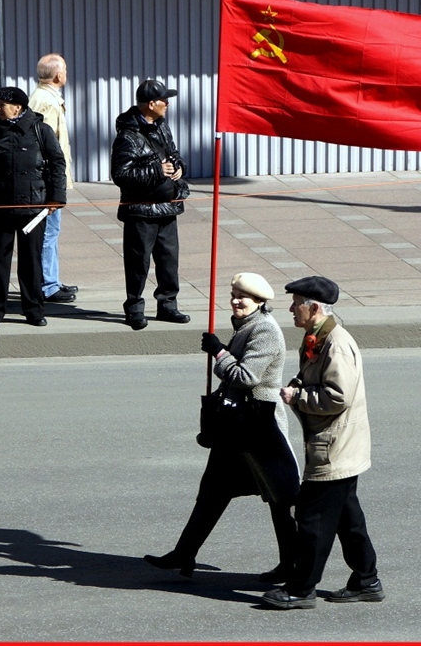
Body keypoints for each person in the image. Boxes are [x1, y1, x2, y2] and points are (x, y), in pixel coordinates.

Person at [143, 273, 300, 579]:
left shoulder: (264, 331)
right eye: (233, 295)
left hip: (259, 426)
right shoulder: (246, 325)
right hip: (237, 426)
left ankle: (292, 565)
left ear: (260, 302)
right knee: (213, 491)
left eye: (243, 297)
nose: (236, 301)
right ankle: (184, 553)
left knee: (281, 496)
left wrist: (219, 352)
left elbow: (245, 377)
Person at [261, 275, 384, 610]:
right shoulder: (320, 335)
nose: (291, 309)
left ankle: (301, 589)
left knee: (312, 517)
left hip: (334, 448)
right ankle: (366, 579)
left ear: (313, 307)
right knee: (346, 516)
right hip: (340, 445)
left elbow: (337, 396)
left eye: (296, 303)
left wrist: (298, 396)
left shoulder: (336, 343)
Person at [0, 87, 67, 330]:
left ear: (18, 107)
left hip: (33, 210)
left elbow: (57, 164)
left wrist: (55, 199)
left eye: (2, 104)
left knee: (31, 262)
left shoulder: (40, 131)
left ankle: (34, 310)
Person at [110, 79, 190, 330]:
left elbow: (174, 155)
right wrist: (157, 170)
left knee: (169, 260)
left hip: (167, 206)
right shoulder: (127, 136)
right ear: (151, 104)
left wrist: (178, 168)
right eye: (164, 100)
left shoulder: (162, 127)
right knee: (138, 263)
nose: (167, 104)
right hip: (141, 211)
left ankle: (168, 305)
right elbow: (121, 175)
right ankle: (134, 307)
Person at [28, 53, 77, 304]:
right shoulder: (46, 101)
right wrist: (55, 183)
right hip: (48, 181)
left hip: (49, 179)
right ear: (58, 75)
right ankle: (48, 284)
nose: (66, 73)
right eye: (65, 69)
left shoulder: (44, 97)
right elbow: (46, 145)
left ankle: (51, 279)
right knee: (49, 232)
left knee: (51, 231)